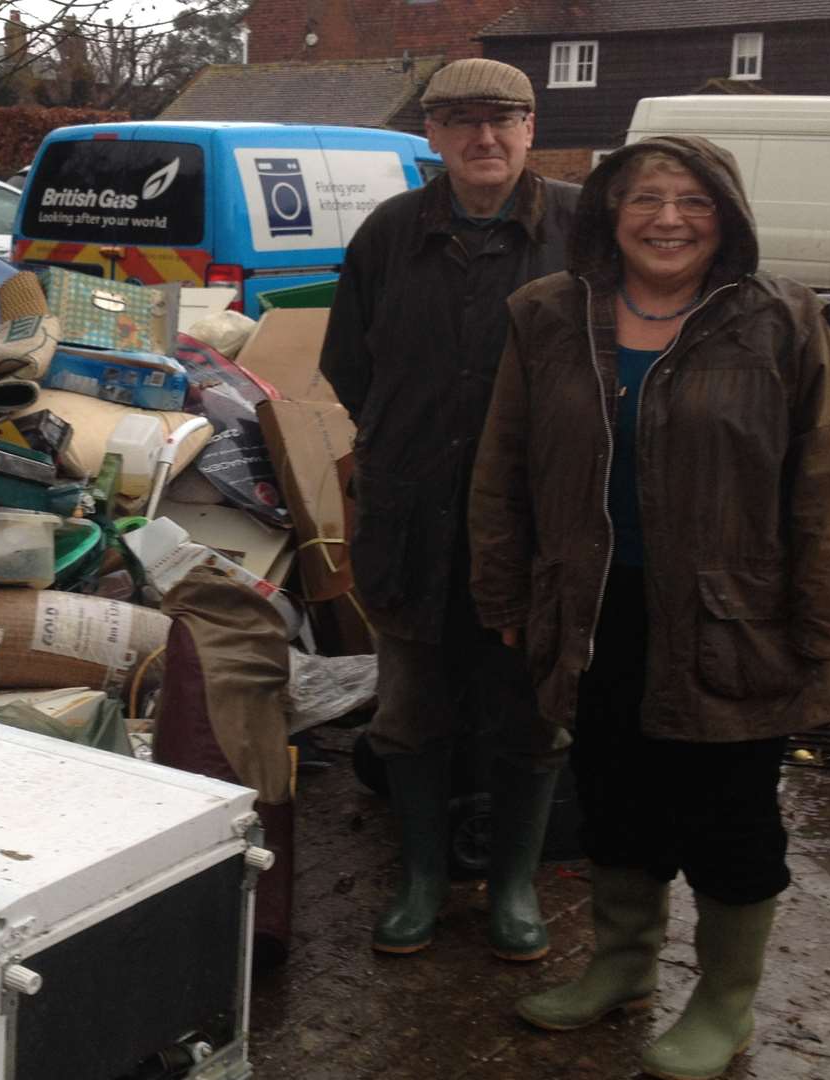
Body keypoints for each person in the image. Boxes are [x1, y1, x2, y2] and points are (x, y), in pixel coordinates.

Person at [467, 137, 830, 1079]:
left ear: (726, 216)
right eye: (645, 198)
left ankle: (725, 1001)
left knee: (729, 815)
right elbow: (503, 469)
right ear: (610, 214)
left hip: (737, 616)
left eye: (692, 200)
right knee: (614, 795)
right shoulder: (546, 315)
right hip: (594, 608)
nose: (667, 218)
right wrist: (502, 590)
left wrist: (828, 622)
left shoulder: (780, 319)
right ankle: (621, 965)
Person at [320, 58, 580, 961]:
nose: (485, 138)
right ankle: (423, 879)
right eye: (462, 121)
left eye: (503, 119)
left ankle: (512, 885)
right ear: (431, 135)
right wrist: (409, 440)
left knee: (531, 715)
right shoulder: (390, 234)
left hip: (539, 524)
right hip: (413, 517)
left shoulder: (581, 229)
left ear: (531, 128)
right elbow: (349, 364)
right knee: (411, 712)